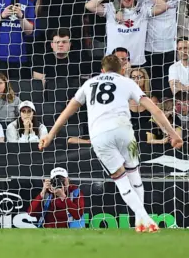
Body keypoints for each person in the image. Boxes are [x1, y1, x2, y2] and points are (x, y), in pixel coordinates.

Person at [39, 55, 184, 232]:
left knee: (121, 180)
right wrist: (172, 134)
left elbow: (67, 112)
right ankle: (142, 220)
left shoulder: (89, 83)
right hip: (124, 131)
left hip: (99, 135)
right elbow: (155, 109)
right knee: (134, 175)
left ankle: (144, 220)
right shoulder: (127, 82)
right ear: (122, 70)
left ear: (102, 70)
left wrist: (50, 135)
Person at [85, 0, 168, 67]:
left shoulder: (143, 9)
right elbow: (89, 6)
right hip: (113, 63)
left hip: (136, 63)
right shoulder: (111, 8)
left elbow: (164, 7)